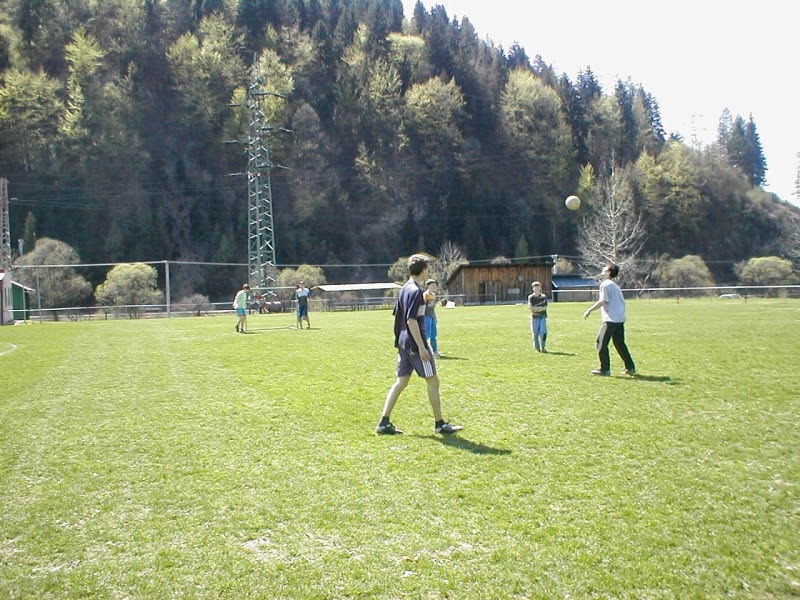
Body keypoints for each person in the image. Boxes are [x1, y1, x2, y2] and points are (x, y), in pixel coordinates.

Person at [376, 254, 462, 435]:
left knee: (401, 381)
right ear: (423, 270)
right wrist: (422, 348)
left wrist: (423, 297)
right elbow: (411, 320)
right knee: (433, 381)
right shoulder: (415, 291)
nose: (428, 272)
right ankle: (439, 424)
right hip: (416, 345)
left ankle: (384, 422)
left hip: (403, 343)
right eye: (427, 269)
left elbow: (401, 314)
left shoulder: (405, 289)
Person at [583, 262, 636, 376]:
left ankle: (605, 369)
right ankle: (630, 367)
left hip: (611, 320)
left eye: (605, 268)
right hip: (619, 319)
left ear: (609, 272)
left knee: (601, 343)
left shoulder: (605, 285)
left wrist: (590, 310)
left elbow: (603, 300)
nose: (603, 269)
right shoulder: (614, 285)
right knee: (620, 344)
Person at [422, 278, 441, 357]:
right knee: (426, 334)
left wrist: (435, 317)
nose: (434, 287)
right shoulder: (425, 295)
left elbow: (432, 308)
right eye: (432, 285)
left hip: (432, 316)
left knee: (434, 334)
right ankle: (424, 350)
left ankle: (435, 351)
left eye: (435, 285)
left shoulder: (433, 295)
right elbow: (422, 307)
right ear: (428, 286)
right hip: (426, 316)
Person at [528, 281, 548, 352]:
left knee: (543, 333)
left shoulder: (543, 297)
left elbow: (545, 307)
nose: (537, 290)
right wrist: (538, 308)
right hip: (534, 318)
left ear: (540, 288)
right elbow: (530, 307)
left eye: (538, 288)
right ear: (533, 289)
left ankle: (543, 348)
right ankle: (537, 348)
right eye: (535, 288)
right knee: (535, 334)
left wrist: (537, 309)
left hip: (542, 317)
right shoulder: (531, 297)